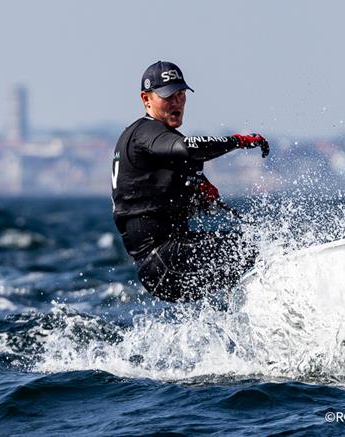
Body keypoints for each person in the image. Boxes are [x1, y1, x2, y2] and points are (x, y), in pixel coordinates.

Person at [111, 60, 269, 302]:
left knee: (247, 247)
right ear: (146, 99)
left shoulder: (157, 141)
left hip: (169, 260)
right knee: (254, 251)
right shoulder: (146, 133)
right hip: (164, 261)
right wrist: (237, 140)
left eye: (181, 94)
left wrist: (198, 192)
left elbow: (159, 189)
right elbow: (187, 148)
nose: (176, 102)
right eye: (168, 96)